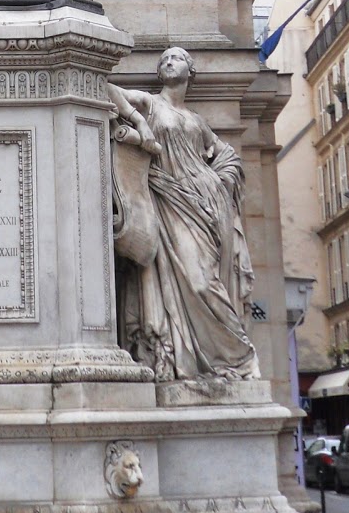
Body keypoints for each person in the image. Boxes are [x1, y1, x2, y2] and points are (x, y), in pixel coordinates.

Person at [108, 46, 260, 382]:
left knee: (209, 279)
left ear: (190, 69)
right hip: (168, 200)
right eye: (163, 60)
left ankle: (226, 364)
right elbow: (108, 89)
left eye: (175, 58)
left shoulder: (198, 122)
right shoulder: (151, 103)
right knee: (200, 283)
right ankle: (231, 356)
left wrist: (219, 180)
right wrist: (137, 123)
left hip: (205, 205)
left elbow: (228, 156)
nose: (168, 62)